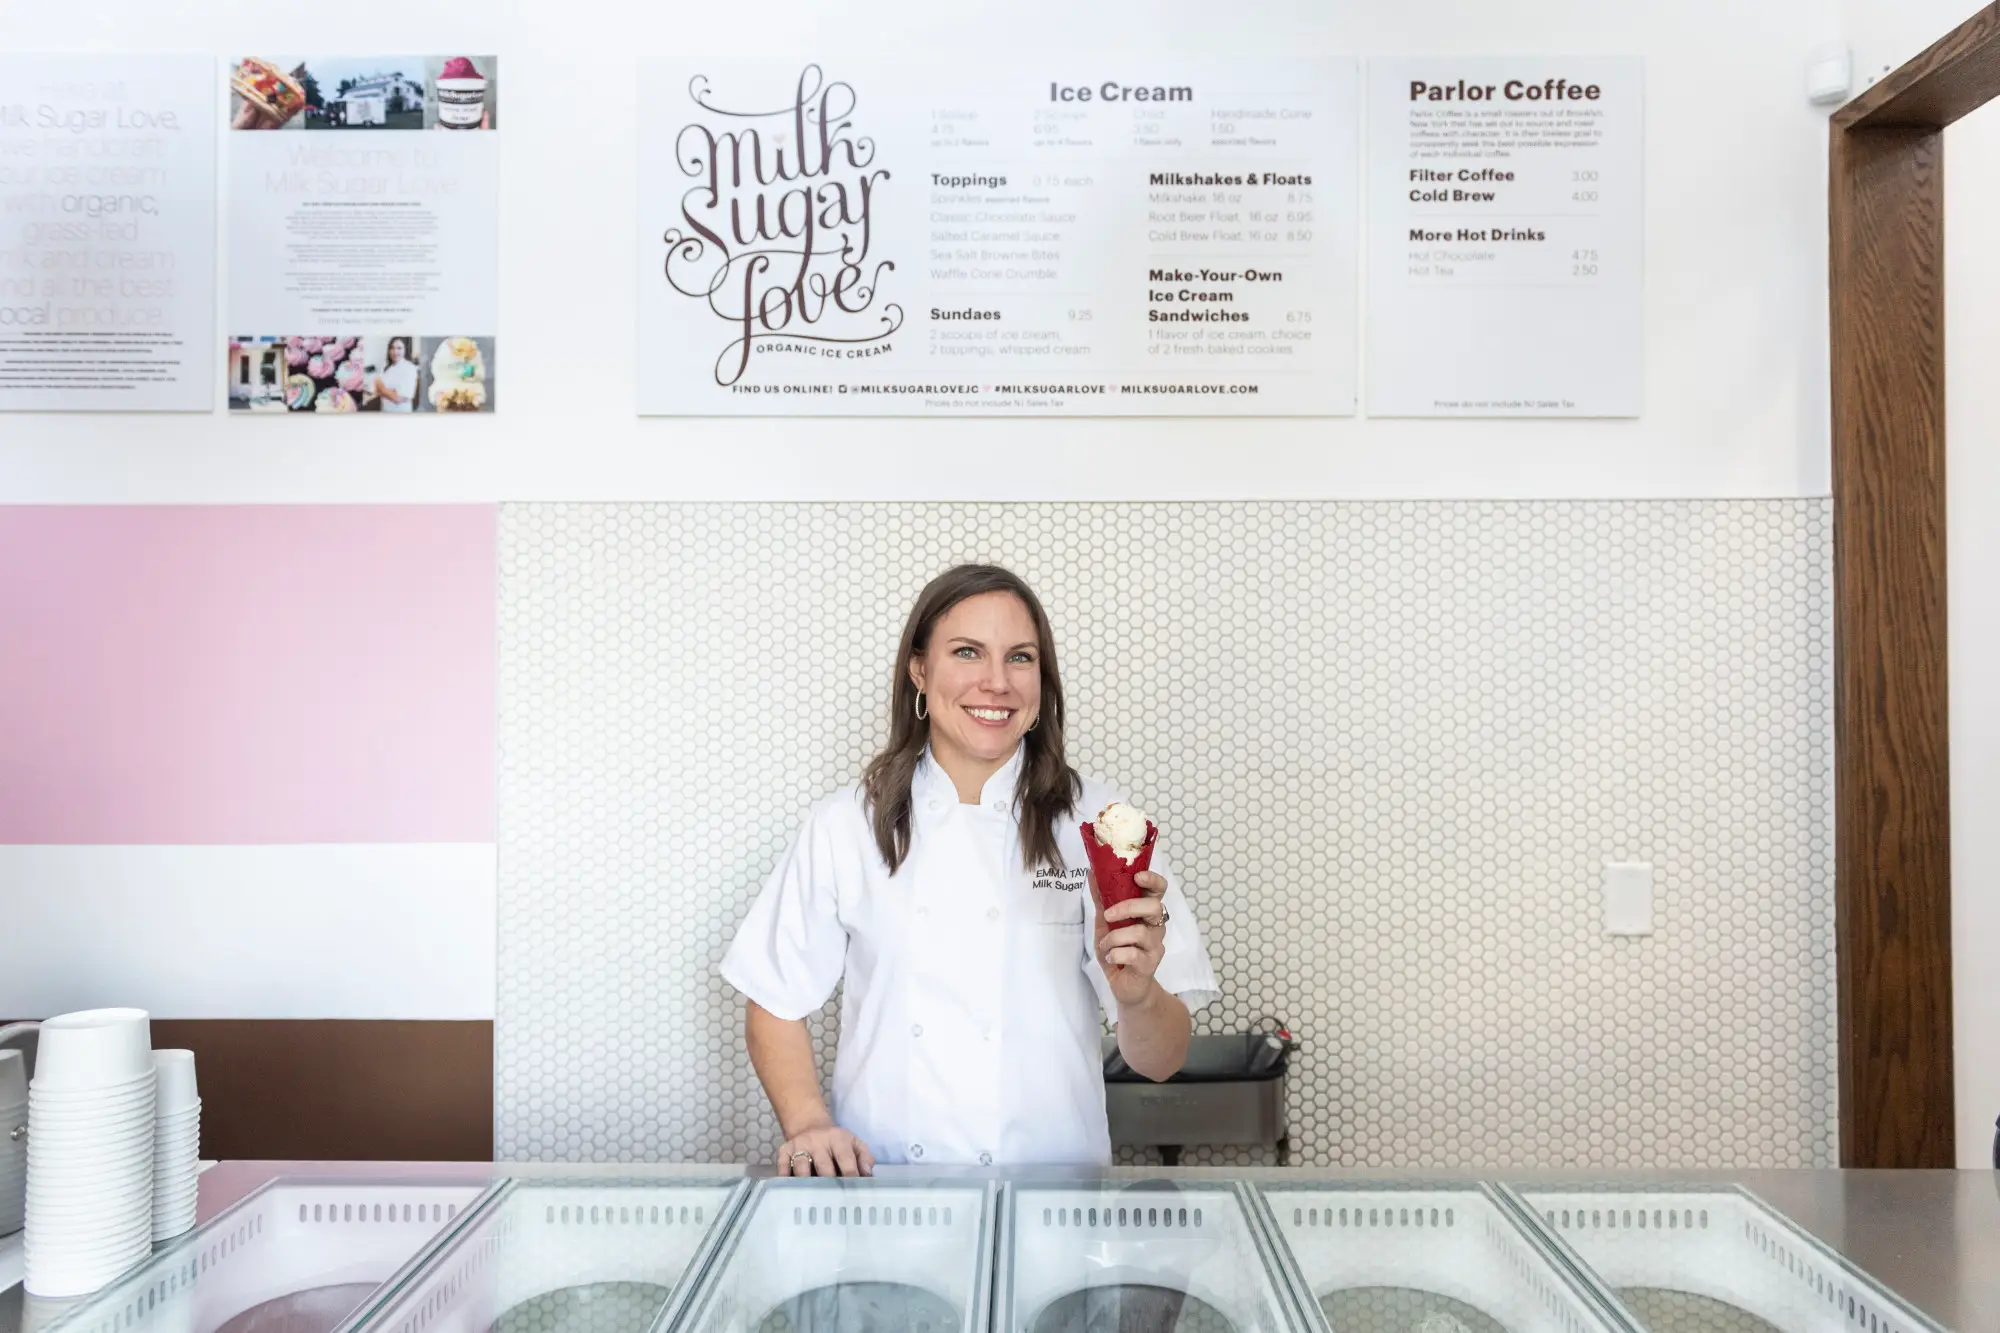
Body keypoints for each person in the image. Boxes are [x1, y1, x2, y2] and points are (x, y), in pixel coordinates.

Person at [721, 565, 1218, 1175]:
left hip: (1055, 1203)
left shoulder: (1101, 826)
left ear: (1042, 681)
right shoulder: (847, 824)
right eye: (967, 653)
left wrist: (1138, 997)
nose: (996, 682)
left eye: (1020, 658)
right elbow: (773, 995)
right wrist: (809, 1122)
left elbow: (1160, 1060)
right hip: (888, 1195)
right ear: (920, 671)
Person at [372, 337, 417, 412]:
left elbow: (398, 399)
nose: (395, 351)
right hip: (385, 410)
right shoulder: (385, 365)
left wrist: (383, 389)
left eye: (399, 348)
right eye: (392, 348)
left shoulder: (410, 368)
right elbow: (376, 388)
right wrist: (390, 392)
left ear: (405, 349)